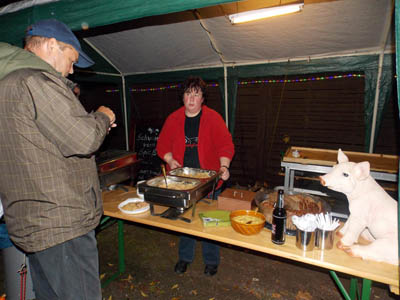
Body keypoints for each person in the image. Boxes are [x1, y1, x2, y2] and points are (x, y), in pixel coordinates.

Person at [0, 19, 116, 300]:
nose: (72, 69)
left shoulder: (6, 84)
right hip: (62, 225)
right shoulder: (35, 80)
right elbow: (84, 138)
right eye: (71, 59)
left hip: (34, 223)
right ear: (52, 45)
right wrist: (103, 116)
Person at [156, 76, 234, 276]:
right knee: (185, 220)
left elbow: (225, 145)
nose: (191, 99)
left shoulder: (213, 118)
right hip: (181, 183)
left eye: (196, 94)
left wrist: (224, 167)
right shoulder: (173, 119)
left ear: (202, 99)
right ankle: (184, 258)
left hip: (209, 182)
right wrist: (170, 159)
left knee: (209, 220)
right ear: (182, 97)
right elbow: (162, 145)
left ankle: (211, 261)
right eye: (188, 94)